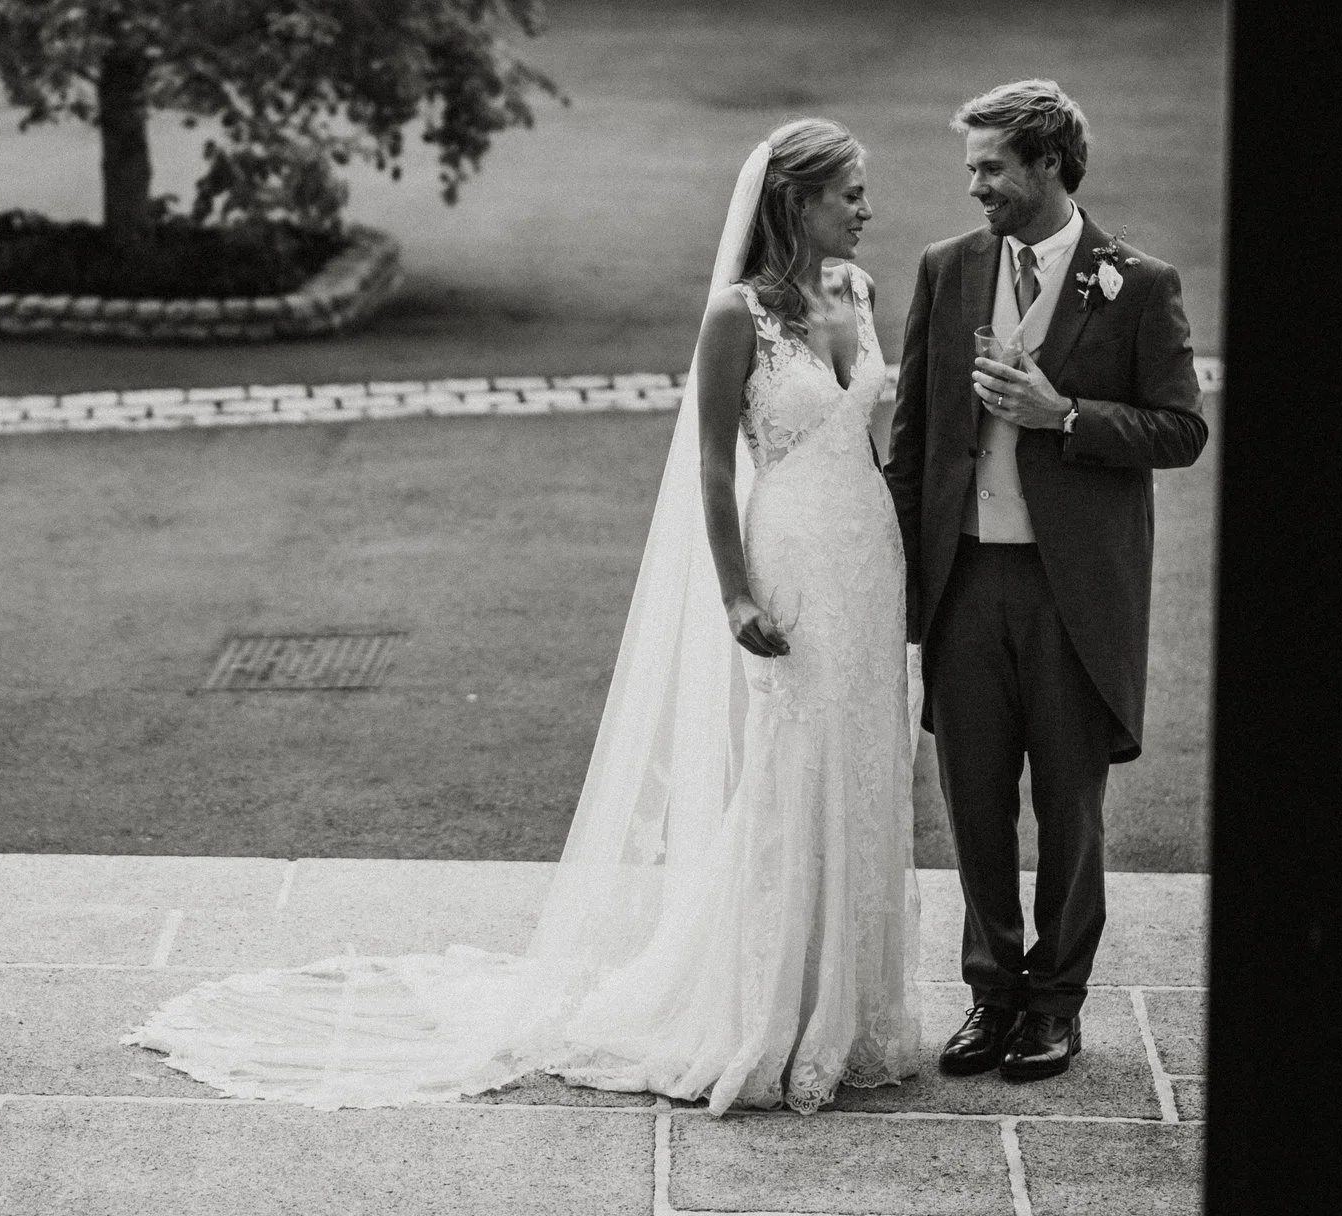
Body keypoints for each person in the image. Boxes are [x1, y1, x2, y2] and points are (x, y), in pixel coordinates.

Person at [124, 119, 922, 1115]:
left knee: (864, 767)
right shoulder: (736, 317)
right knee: (791, 771)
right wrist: (733, 590)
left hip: (868, 554)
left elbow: (873, 440)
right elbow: (713, 464)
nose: (865, 209)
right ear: (794, 201)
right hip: (792, 557)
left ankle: (850, 1009)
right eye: (849, 192)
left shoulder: (859, 291)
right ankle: (768, 1010)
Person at [883, 80, 1206, 1084]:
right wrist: (895, 586)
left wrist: (1063, 412)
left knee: (1069, 807)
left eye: (990, 167)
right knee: (972, 800)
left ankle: (1055, 1003)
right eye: (971, 166)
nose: (973, 184)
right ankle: (991, 992)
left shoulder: (1137, 283)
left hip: (1074, 593)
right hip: (966, 582)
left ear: (1048, 165)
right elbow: (914, 440)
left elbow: (1180, 428)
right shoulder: (947, 268)